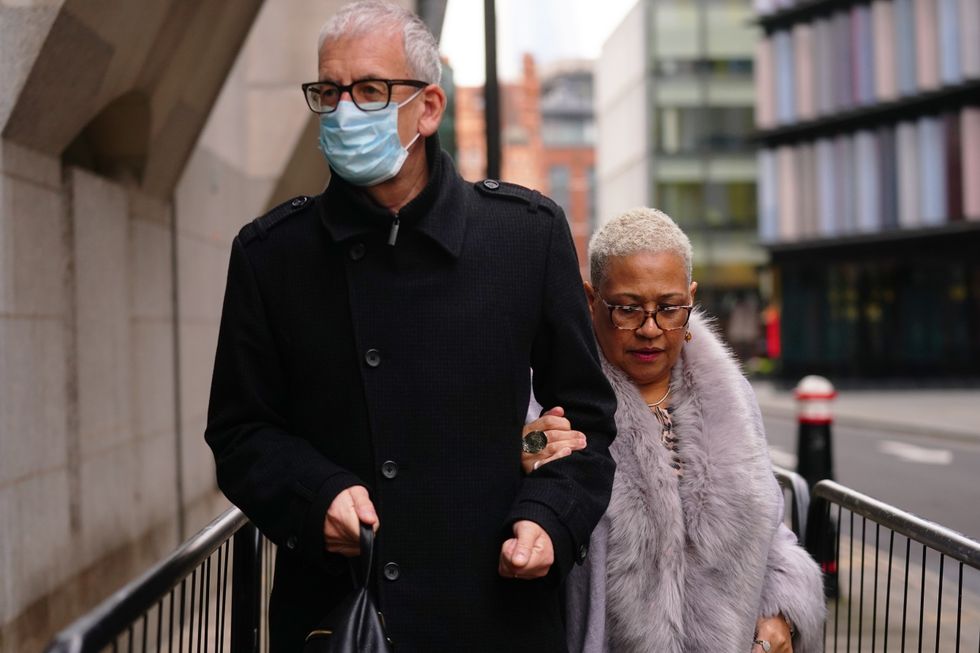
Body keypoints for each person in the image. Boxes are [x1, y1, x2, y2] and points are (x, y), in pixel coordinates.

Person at [204, 2, 617, 651]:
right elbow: (238, 432)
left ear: (428, 108)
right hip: (338, 618)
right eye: (329, 91)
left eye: (369, 90)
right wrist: (317, 496)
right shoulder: (269, 256)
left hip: (494, 615)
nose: (343, 111)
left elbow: (588, 422)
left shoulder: (524, 238)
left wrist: (548, 520)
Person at [525, 208, 826, 653]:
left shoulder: (732, 398)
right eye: (627, 309)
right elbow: (513, 477)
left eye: (669, 308)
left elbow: (772, 530)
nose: (650, 329)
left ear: (691, 298)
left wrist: (784, 613)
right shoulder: (552, 393)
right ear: (591, 301)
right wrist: (526, 450)